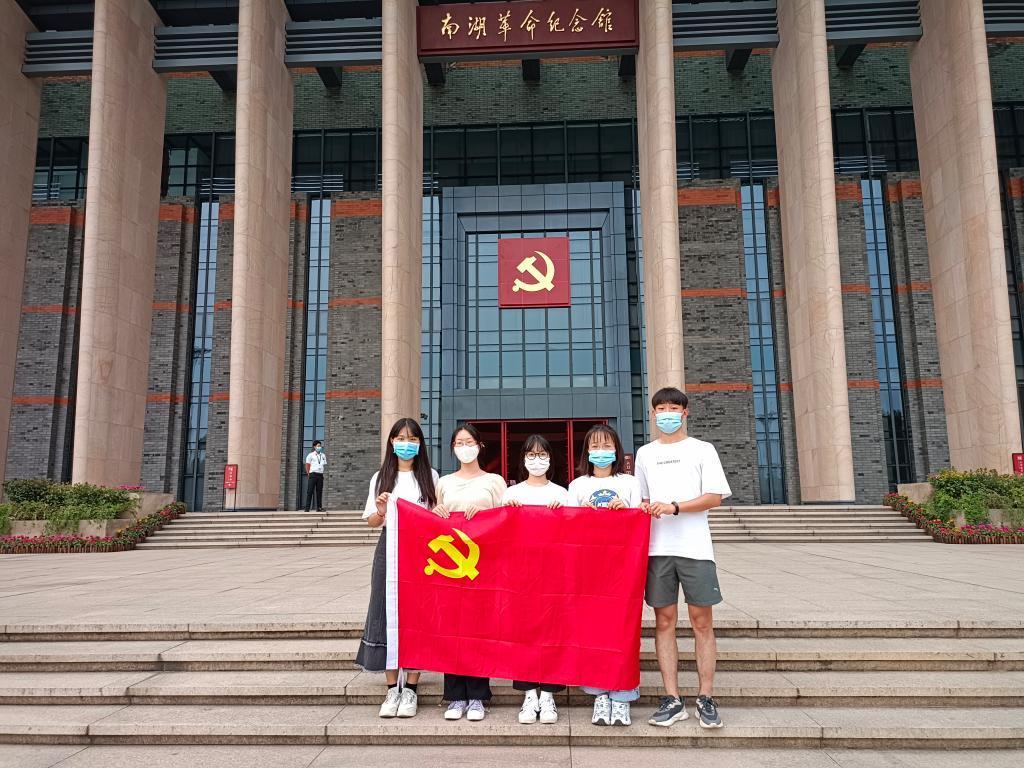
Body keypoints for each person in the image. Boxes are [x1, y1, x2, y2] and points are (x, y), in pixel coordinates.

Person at [636, 387, 731, 730]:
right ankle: (672, 698)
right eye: (661, 409)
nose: (667, 414)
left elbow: (715, 497)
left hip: (695, 548)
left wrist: (675, 507)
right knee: (664, 622)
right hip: (657, 549)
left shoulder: (702, 450)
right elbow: (642, 498)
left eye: (673, 408)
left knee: (701, 622)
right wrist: (646, 507)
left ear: (685, 413)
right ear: (653, 414)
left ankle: (705, 697)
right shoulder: (645, 453)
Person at [357, 418, 439, 719]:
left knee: (417, 613)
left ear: (420, 444)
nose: (407, 444)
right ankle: (393, 688)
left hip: (421, 549)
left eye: (413, 439)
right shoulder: (381, 477)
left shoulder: (430, 476)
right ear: (392, 442)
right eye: (401, 438)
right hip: (389, 545)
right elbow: (371, 521)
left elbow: (436, 515)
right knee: (383, 609)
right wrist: (380, 512)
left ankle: (411, 688)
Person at [567, 424, 643, 727]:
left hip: (622, 568)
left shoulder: (630, 483)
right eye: (595, 446)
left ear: (617, 450)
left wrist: (626, 511)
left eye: (607, 446)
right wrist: (580, 515)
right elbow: (566, 529)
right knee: (593, 631)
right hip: (588, 569)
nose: (601, 451)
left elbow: (640, 522)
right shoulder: (577, 486)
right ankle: (598, 693)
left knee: (623, 629)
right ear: (587, 451)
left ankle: (622, 695)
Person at [432, 423, 507, 722]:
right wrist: (436, 513)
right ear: (452, 448)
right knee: (451, 628)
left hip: (483, 565)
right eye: (459, 443)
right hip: (451, 567)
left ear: (479, 445)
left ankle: (477, 695)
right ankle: (455, 695)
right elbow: (434, 520)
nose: (465, 447)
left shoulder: (494, 481)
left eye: (469, 442)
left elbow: (506, 519)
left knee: (478, 629)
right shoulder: (444, 482)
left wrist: (486, 516)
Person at [502, 434, 569, 725]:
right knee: (523, 632)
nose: (537, 460)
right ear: (523, 459)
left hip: (554, 573)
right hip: (521, 573)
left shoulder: (562, 493)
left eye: (542, 455)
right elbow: (500, 534)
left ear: (551, 459)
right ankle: (529, 693)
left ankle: (549, 694)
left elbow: (574, 534)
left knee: (554, 631)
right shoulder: (511, 494)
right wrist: (509, 513)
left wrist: (562, 515)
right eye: (531, 455)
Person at [304, 440, 327, 512]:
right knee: (310, 491)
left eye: (320, 446)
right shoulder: (310, 455)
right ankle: (307, 508)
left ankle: (319, 508)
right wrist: (309, 474)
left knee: (319, 492)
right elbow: (307, 465)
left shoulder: (323, 455)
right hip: (313, 474)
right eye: (318, 446)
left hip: (320, 475)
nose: (319, 447)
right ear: (314, 447)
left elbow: (323, 464)